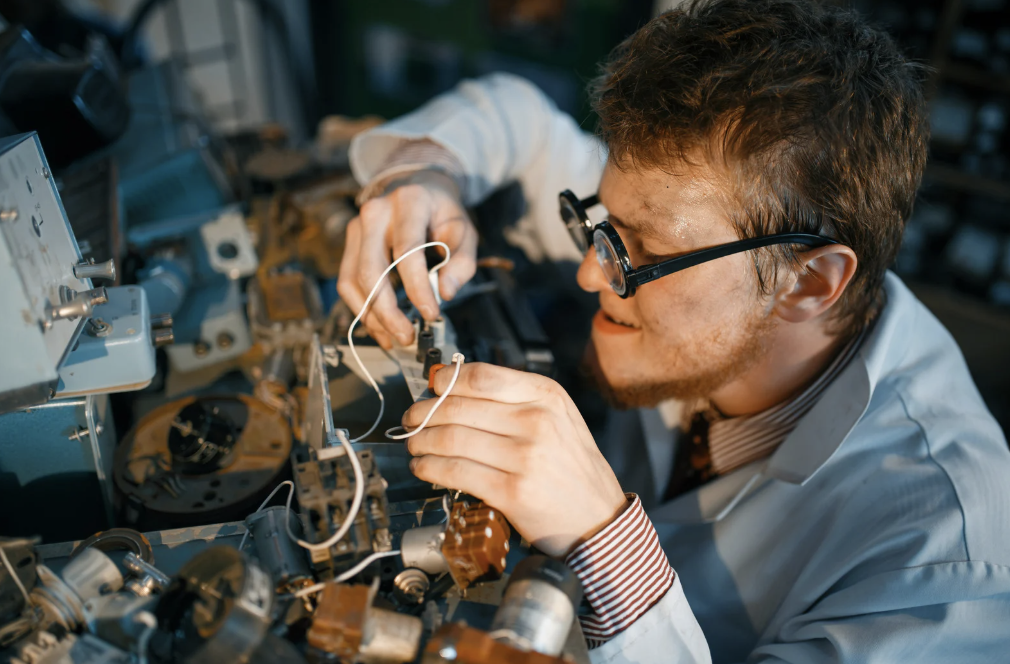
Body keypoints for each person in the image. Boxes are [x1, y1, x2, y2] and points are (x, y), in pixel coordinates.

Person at [338, 1, 1010, 662]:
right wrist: (424, 169)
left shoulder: (947, 559)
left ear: (808, 283)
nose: (590, 274)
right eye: (601, 223)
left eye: (644, 252)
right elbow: (519, 120)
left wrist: (604, 541)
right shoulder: (702, 223)